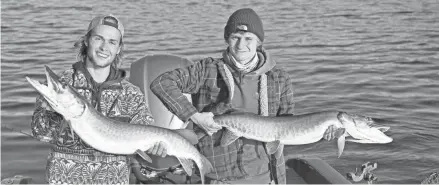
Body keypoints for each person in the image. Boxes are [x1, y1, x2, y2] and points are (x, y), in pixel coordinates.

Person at [150, 8, 337, 184]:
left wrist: (321, 133)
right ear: (227, 39)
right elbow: (161, 83)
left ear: (259, 42)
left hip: (266, 175)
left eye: (248, 38)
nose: (241, 45)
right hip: (218, 176)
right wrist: (194, 116)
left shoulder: (279, 77)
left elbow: (289, 127)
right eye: (235, 37)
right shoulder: (207, 69)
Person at [30, 14, 161, 184]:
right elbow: (40, 133)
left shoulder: (131, 93)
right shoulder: (64, 84)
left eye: (112, 42)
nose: (104, 47)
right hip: (65, 180)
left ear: (119, 48)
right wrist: (54, 108)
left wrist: (157, 147)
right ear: (86, 40)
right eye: (99, 38)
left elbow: (147, 130)